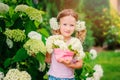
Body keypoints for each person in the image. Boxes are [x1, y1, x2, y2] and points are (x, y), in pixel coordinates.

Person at [45, 9, 86, 80]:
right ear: (59, 25)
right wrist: (37, 54)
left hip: (69, 78)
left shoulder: (75, 42)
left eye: (72, 25)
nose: (68, 28)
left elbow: (80, 64)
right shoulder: (53, 40)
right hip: (53, 77)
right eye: (64, 24)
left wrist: (70, 64)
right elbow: (48, 60)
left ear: (75, 26)